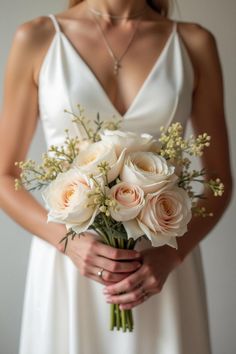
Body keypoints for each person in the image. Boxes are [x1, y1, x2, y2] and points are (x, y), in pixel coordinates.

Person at [0, 0, 233, 353]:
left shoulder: (193, 42)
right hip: (69, 266)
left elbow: (219, 178)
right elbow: (3, 176)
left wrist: (172, 256)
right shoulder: (38, 37)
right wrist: (68, 243)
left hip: (159, 267)